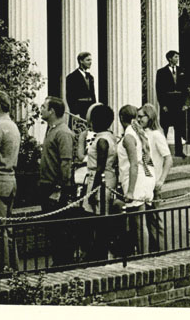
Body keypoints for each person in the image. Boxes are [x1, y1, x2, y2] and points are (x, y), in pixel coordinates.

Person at [78, 103, 119, 262]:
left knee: (99, 217)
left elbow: (100, 167)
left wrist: (93, 192)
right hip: (105, 176)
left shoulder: (102, 140)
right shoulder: (110, 136)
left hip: (100, 179)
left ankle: (99, 253)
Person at [39, 96, 76, 264]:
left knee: (60, 229)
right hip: (47, 186)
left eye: (43, 106)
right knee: (52, 230)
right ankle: (58, 261)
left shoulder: (62, 132)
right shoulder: (52, 129)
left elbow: (66, 161)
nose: (41, 109)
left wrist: (62, 188)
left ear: (52, 111)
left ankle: (62, 262)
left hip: (56, 188)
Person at [116, 104, 154, 253]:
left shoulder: (129, 136)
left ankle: (143, 256)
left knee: (138, 223)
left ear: (120, 118)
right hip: (143, 178)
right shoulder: (138, 133)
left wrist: (131, 191)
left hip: (135, 180)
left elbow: (134, 164)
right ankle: (141, 253)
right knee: (138, 222)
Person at [0, 91, 21, 270]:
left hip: (0, 178)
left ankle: (4, 266)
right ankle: (13, 263)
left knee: (1, 226)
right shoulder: (13, 126)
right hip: (11, 177)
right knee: (8, 226)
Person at [138, 103, 171, 251]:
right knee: (147, 220)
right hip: (144, 182)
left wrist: (161, 179)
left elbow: (168, 158)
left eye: (141, 117)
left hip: (154, 181)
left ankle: (164, 250)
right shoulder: (142, 133)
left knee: (156, 221)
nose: (139, 120)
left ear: (149, 116)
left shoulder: (156, 134)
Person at [155, 50, 186, 156]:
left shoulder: (181, 70)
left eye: (178, 57)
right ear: (170, 58)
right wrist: (162, 104)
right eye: (175, 57)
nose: (177, 59)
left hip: (178, 104)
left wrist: (185, 103)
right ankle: (163, 151)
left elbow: (185, 88)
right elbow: (159, 89)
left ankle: (179, 151)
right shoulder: (161, 72)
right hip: (167, 104)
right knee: (165, 127)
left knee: (179, 128)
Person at [65, 52, 96, 130]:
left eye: (91, 60)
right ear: (81, 61)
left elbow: (93, 95)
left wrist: (94, 110)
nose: (90, 62)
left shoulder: (90, 77)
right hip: (79, 111)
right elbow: (70, 97)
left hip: (89, 111)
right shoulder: (72, 77)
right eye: (88, 60)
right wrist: (75, 113)